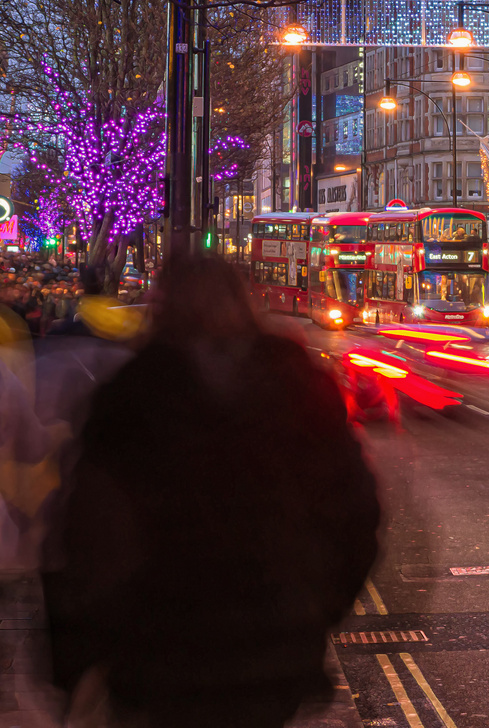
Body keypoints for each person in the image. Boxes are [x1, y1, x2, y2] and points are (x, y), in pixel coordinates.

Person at [42, 252, 380, 728]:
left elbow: (85, 532)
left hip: (159, 646)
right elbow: (355, 513)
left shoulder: (131, 394)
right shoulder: (298, 384)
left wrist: (75, 660)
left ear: (162, 306)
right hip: (270, 644)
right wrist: (316, 608)